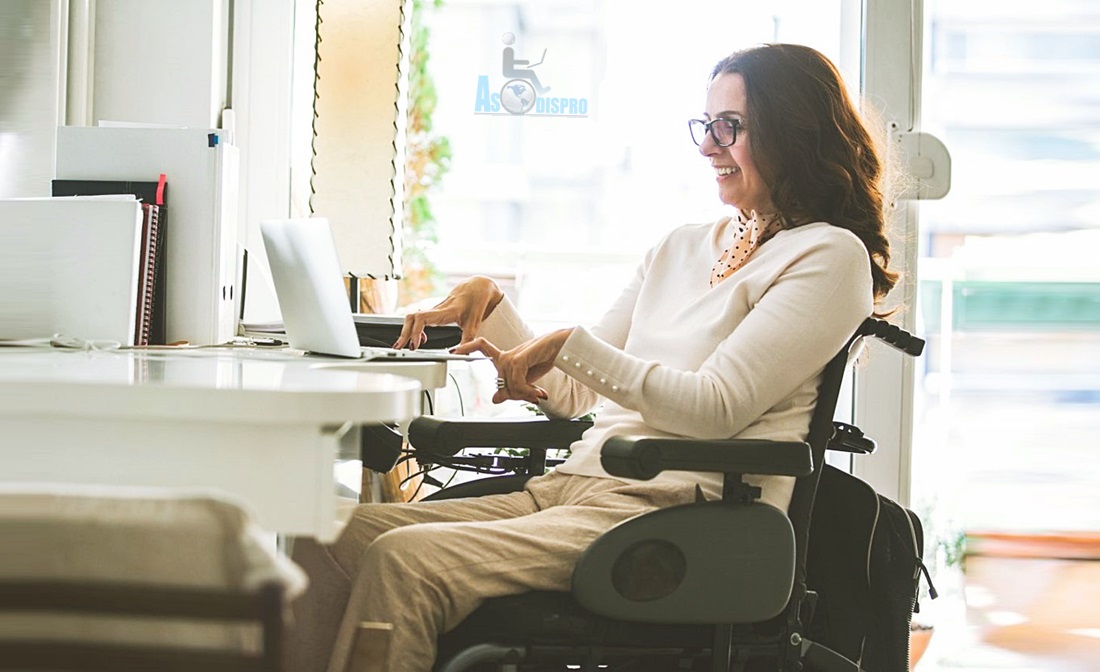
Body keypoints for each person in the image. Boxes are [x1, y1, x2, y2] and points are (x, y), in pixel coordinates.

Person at [284, 43, 897, 672]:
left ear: (794, 133)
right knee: (324, 538)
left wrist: (568, 344)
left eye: (729, 127)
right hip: (571, 491)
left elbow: (716, 408)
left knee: (404, 562)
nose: (709, 146)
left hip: (675, 514)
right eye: (706, 126)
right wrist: (491, 304)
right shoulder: (681, 247)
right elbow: (581, 393)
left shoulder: (828, 257)